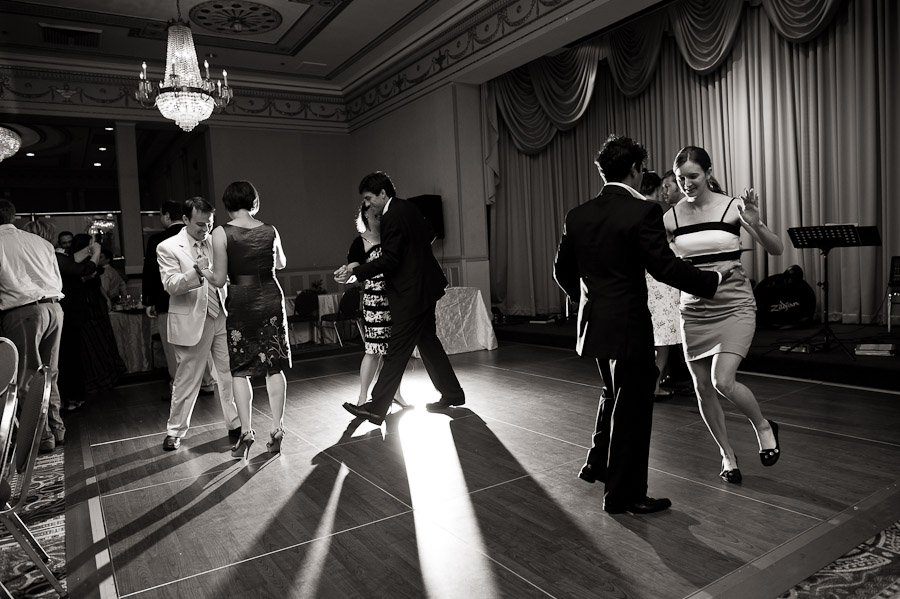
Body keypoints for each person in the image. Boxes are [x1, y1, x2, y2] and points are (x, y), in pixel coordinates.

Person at [553, 135, 731, 515]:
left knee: (612, 395)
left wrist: (587, 301)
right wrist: (712, 281)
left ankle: (598, 466)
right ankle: (623, 495)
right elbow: (664, 267)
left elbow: (561, 270)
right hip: (629, 326)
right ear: (635, 171)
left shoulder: (578, 214)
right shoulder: (641, 212)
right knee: (633, 410)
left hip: (596, 325)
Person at [663, 145, 784, 484]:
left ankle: (763, 425)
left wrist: (757, 225)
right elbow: (660, 260)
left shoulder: (732, 206)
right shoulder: (671, 218)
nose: (686, 184)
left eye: (693, 176)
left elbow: (776, 249)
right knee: (702, 388)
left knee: (722, 381)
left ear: (708, 172)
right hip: (694, 309)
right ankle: (726, 454)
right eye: (679, 178)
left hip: (734, 305)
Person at [335, 171, 464, 425]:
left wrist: (357, 272)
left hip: (412, 293)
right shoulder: (409, 208)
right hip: (425, 287)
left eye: (370, 198)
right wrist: (415, 256)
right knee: (428, 343)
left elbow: (390, 259)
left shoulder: (391, 216)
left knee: (396, 350)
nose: (367, 203)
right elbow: (429, 234)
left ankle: (376, 406)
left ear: (383, 193)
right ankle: (452, 393)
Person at [198, 181, 291, 458]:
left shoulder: (221, 232)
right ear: (255, 201)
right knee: (274, 365)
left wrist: (204, 269)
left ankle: (247, 431)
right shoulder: (270, 229)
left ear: (227, 205)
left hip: (240, 298)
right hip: (271, 296)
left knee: (240, 368)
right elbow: (282, 264)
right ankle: (277, 427)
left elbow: (218, 279)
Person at [156, 197, 240, 451]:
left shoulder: (217, 243)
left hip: (221, 316)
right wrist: (197, 271)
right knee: (187, 379)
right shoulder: (168, 247)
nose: (205, 230)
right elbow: (170, 286)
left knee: (228, 374)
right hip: (193, 321)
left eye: (209, 224)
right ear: (185, 220)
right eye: (200, 225)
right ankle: (175, 431)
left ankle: (236, 424)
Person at [0, 202, 66, 453]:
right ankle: (56, 429)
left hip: (22, 312)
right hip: (53, 308)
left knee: (29, 377)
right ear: (14, 216)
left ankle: (42, 437)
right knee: (51, 372)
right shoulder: (41, 243)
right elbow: (57, 278)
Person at [344, 201, 409, 409]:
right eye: (373, 212)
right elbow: (354, 273)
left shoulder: (392, 238)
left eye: (380, 212)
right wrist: (346, 275)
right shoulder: (359, 242)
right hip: (374, 301)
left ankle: (395, 393)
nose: (378, 215)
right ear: (364, 215)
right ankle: (363, 397)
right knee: (372, 350)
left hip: (396, 299)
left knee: (395, 351)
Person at [640, 171, 682, 399]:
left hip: (641, 280)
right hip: (663, 281)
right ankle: (654, 385)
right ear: (656, 189)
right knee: (664, 338)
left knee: (650, 338)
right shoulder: (664, 211)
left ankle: (650, 382)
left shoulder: (633, 209)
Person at [71, 234, 125, 395]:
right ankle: (98, 381)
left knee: (105, 340)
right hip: (87, 306)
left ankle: (109, 378)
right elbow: (85, 279)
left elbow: (98, 285)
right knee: (93, 344)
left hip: (98, 303)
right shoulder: (78, 264)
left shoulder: (90, 261)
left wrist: (106, 298)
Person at [142, 200, 185, 400]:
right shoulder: (194, 235)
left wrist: (148, 300)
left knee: (172, 346)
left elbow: (151, 271)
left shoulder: (157, 239)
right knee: (198, 343)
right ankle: (207, 383)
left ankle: (179, 388)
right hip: (194, 298)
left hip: (166, 299)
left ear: (167, 216)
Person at [56, 230, 102, 413]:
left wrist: (91, 248)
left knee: (71, 356)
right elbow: (85, 269)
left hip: (71, 313)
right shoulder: (56, 258)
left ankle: (73, 396)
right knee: (69, 357)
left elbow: (73, 259)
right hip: (69, 313)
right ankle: (71, 397)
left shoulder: (60, 258)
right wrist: (96, 252)